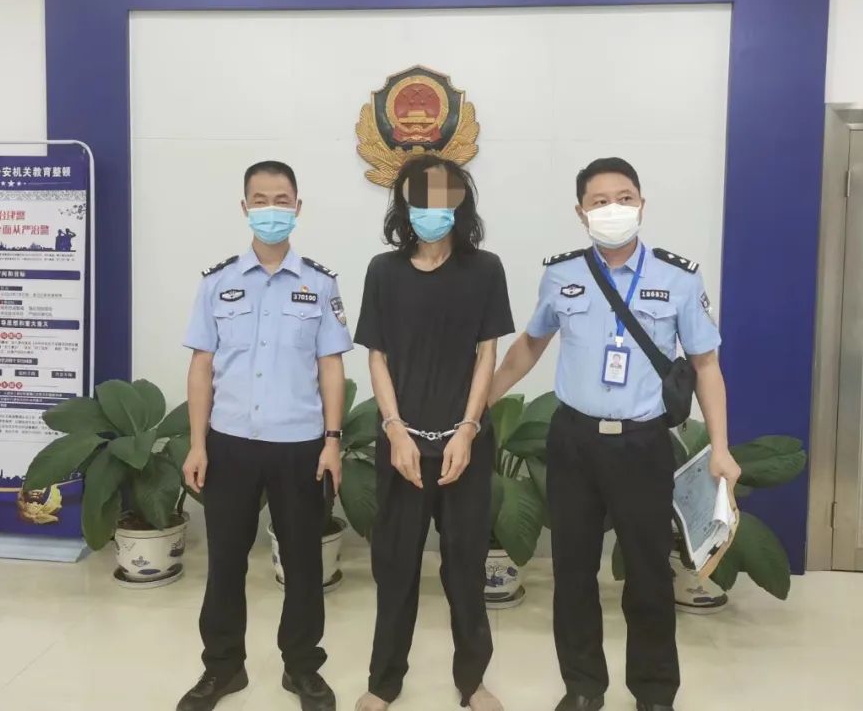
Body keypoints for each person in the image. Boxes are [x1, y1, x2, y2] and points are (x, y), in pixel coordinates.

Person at [489, 158, 741, 711]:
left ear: (642, 205)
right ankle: (583, 687)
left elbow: (706, 366)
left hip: (642, 444)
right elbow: (529, 345)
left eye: (624, 198)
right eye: (599, 201)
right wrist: (478, 403)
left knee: (648, 573)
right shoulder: (562, 274)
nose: (613, 209)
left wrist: (720, 449)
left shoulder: (678, 278)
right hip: (573, 441)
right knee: (573, 572)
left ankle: (654, 692)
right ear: (581, 213)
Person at [177, 160, 353, 711]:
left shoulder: (320, 283)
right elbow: (201, 367)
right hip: (230, 443)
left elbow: (331, 367)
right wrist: (198, 443)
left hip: (300, 446)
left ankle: (302, 668)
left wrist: (332, 440)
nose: (271, 209)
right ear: (244, 207)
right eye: (260, 199)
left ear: (298, 208)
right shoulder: (217, 282)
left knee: (303, 565)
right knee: (225, 562)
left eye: (281, 200)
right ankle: (223, 668)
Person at [354, 156, 514, 711]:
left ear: (460, 202)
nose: (431, 210)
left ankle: (472, 682)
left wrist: (468, 429)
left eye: (442, 197)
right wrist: (394, 430)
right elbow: (377, 356)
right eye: (419, 199)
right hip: (402, 445)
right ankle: (383, 682)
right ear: (404, 206)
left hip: (463, 445)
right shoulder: (384, 271)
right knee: (395, 566)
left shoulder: (485, 269)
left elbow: (487, 353)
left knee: (465, 567)